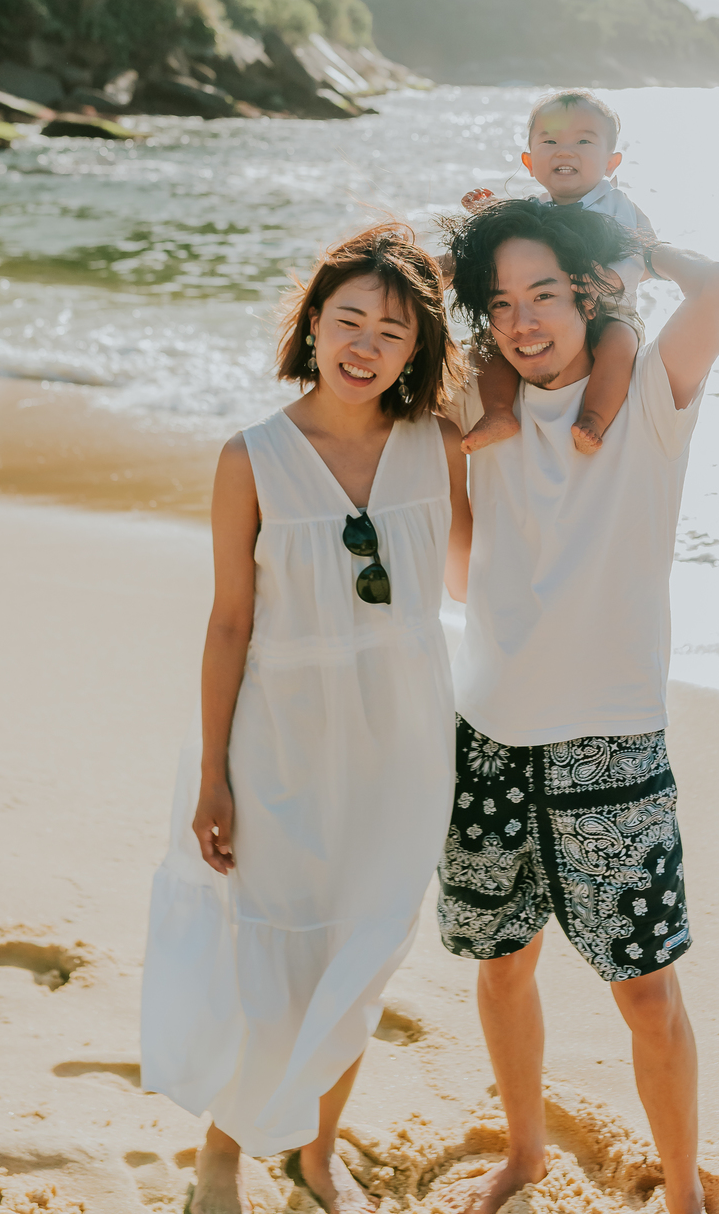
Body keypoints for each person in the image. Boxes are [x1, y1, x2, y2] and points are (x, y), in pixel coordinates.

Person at [140, 225, 471, 1214]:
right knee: (275, 962)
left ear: (419, 350)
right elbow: (229, 623)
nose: (365, 345)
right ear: (312, 326)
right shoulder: (253, 459)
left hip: (404, 749)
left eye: (393, 331)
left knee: (362, 957)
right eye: (349, 320)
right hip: (280, 746)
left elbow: (522, 396)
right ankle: (222, 1154)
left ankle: (315, 1155)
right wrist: (213, 774)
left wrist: (469, 252)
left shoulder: (437, 445)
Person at [436, 196, 719, 1214]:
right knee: (502, 964)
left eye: (543, 295)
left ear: (585, 295)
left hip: (611, 746)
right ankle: (523, 1154)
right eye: (502, 304)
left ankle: (686, 1193)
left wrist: (636, 252)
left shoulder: (650, 396)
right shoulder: (483, 418)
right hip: (489, 736)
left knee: (647, 994)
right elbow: (459, 567)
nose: (524, 321)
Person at [457, 90, 654, 457]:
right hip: (552, 311)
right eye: (550, 141)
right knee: (489, 342)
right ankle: (498, 412)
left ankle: (594, 416)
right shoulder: (538, 207)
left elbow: (645, 252)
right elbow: (512, 226)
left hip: (611, 310)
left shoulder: (617, 206)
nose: (565, 151)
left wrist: (611, 277)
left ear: (611, 162)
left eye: (583, 140)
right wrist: (486, 209)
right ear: (530, 162)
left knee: (619, 342)